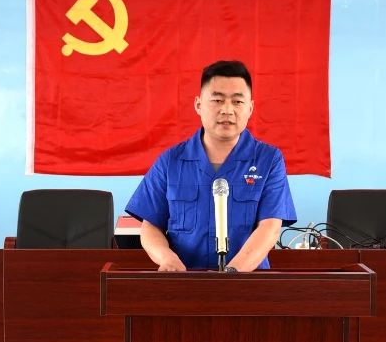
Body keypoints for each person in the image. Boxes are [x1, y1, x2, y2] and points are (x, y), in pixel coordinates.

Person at [125, 60, 297, 271]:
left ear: (250, 108)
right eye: (217, 100)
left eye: (237, 101)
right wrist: (166, 258)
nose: (227, 110)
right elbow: (150, 226)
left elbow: (270, 227)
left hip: (247, 282)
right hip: (185, 281)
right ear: (198, 105)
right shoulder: (171, 161)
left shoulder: (268, 159)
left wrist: (231, 275)